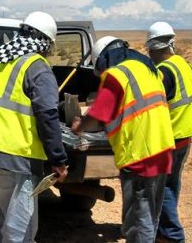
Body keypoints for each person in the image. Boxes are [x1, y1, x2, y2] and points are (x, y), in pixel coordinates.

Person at [0, 11, 68, 242]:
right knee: (19, 234)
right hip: (14, 158)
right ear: (46, 43)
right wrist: (58, 160)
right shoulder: (36, 66)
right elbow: (48, 115)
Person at [71, 36, 175, 242]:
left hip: (140, 155)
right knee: (150, 214)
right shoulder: (147, 69)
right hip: (163, 149)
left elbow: (97, 116)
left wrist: (79, 127)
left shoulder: (117, 74)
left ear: (104, 59)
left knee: (139, 218)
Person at [146, 22, 192, 243]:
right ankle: (162, 230)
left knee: (162, 188)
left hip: (169, 138)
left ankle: (172, 235)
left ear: (152, 48)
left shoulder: (163, 72)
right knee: (172, 184)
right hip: (186, 136)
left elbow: (152, 107)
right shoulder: (185, 65)